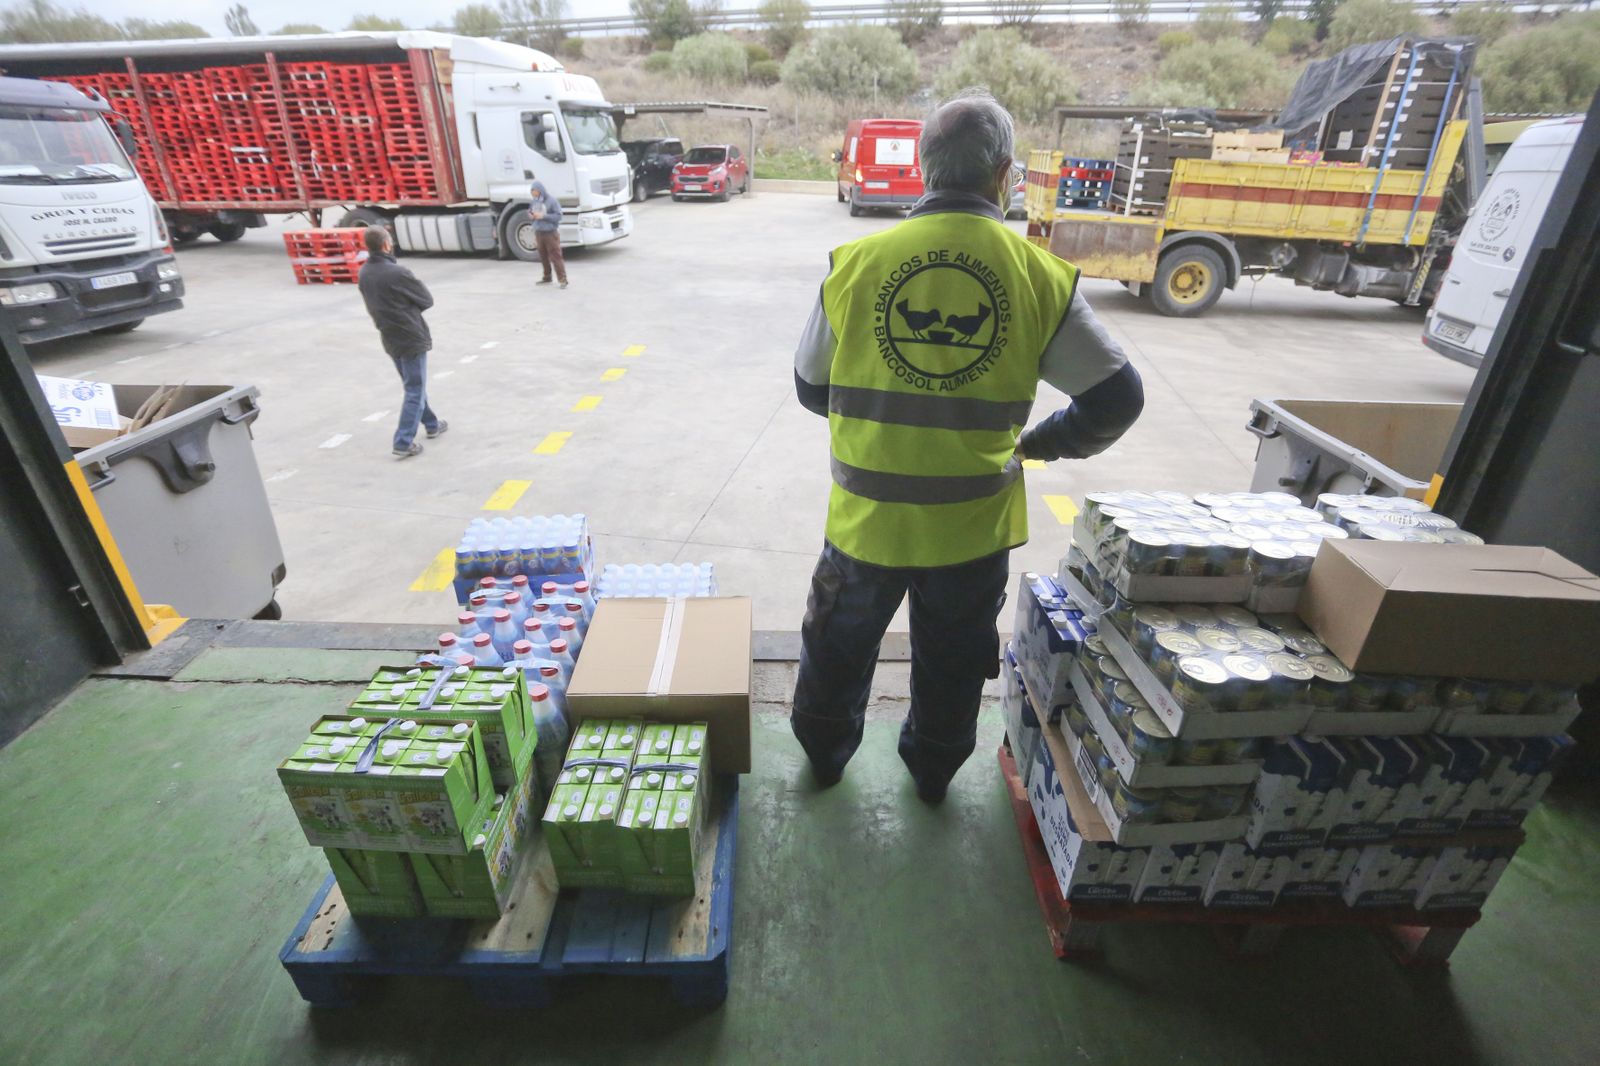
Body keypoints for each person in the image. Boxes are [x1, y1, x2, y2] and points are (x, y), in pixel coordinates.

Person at [790, 89, 1145, 803]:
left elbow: (809, 387)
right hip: (970, 529)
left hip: (865, 521)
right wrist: (1039, 442)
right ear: (1004, 173)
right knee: (952, 661)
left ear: (924, 169)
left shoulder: (857, 263)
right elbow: (1117, 399)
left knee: (836, 648)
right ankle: (932, 772)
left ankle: (825, 759)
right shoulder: (1038, 276)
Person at [357, 225, 447, 458]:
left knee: (413, 384)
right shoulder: (398, 273)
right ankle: (403, 441)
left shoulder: (364, 272)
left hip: (389, 337)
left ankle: (432, 424)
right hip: (410, 337)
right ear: (386, 244)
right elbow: (426, 299)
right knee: (415, 388)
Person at [528, 180, 567, 288]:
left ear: (540, 190)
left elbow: (558, 216)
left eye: (534, 191)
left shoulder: (551, 201)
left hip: (550, 233)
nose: (532, 193)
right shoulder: (534, 202)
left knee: (555, 256)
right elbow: (530, 211)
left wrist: (543, 216)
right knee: (543, 256)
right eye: (531, 191)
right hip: (539, 232)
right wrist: (531, 215)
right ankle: (547, 276)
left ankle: (562, 279)